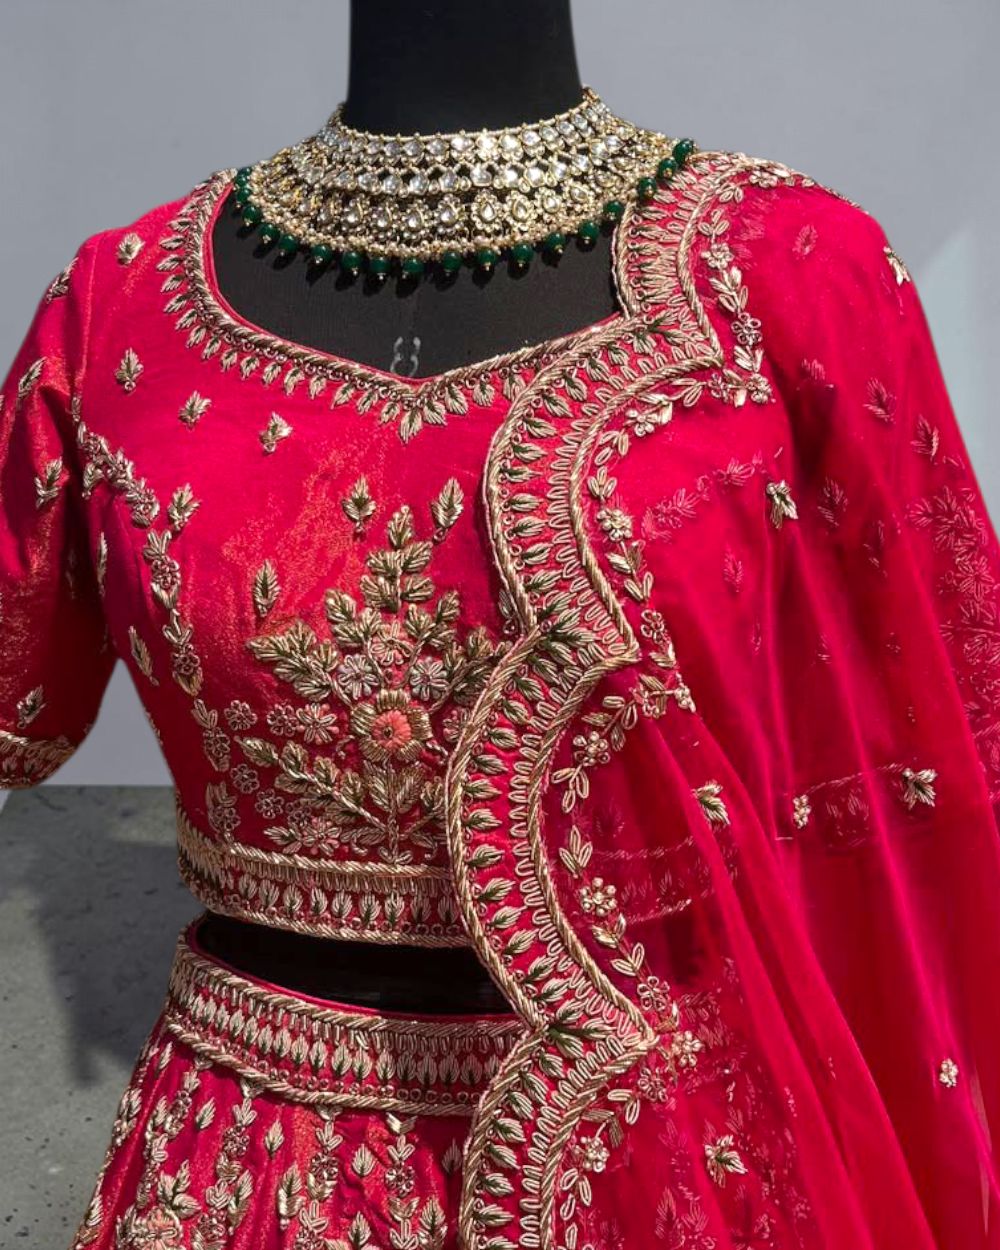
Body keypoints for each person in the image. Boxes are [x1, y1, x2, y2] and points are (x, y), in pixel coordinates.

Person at [2, 2, 998, 1246]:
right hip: (254, 1164)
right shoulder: (122, 304)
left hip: (687, 1156)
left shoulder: (789, 269)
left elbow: (941, 760)